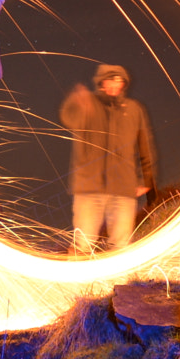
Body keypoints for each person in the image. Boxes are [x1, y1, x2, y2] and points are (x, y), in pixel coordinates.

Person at [59, 62, 157, 255]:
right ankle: (78, 284)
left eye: (118, 81)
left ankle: (117, 285)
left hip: (123, 189)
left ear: (123, 84)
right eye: (109, 81)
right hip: (89, 188)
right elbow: (68, 118)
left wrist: (148, 181)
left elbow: (145, 144)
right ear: (101, 83)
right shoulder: (88, 104)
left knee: (120, 247)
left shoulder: (134, 109)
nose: (113, 85)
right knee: (83, 246)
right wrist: (75, 100)